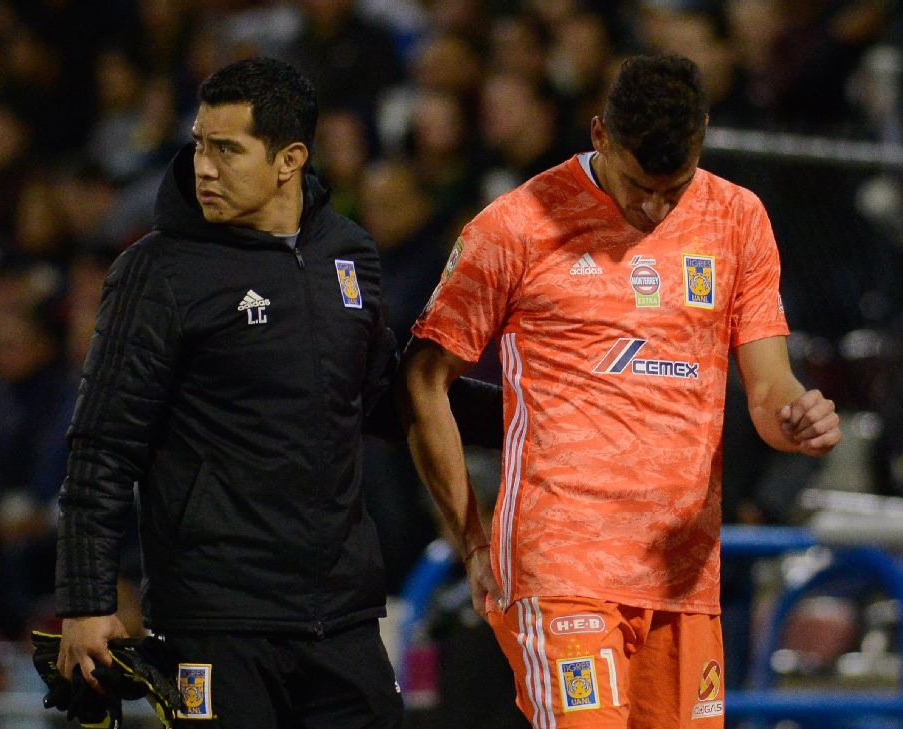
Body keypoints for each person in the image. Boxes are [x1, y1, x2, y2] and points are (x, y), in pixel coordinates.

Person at [53, 57, 498, 728]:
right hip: (216, 622)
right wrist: (86, 599)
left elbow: (385, 396)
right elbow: (101, 445)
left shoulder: (349, 254)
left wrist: (527, 408)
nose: (203, 166)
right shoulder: (156, 272)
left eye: (227, 150)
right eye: (200, 144)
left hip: (341, 614)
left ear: (290, 158)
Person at [399, 54, 841, 728]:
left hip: (682, 578)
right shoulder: (515, 227)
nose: (655, 207)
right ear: (600, 134)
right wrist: (470, 538)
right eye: (639, 185)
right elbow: (423, 379)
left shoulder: (737, 219)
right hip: (561, 564)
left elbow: (768, 388)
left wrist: (795, 418)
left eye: (676, 186)